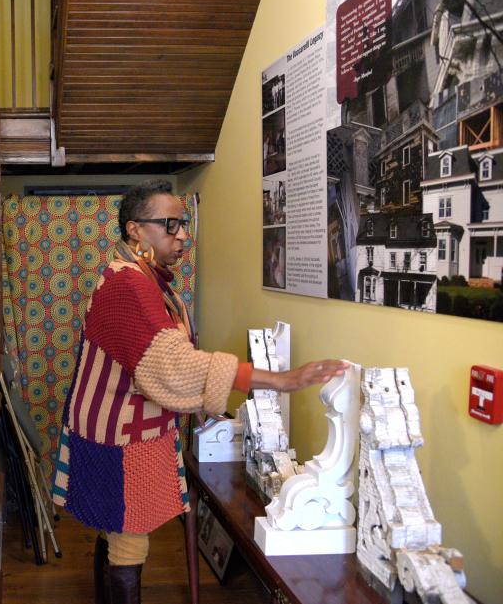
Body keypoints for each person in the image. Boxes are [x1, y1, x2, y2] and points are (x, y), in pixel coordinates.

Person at [50, 179, 346, 604]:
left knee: (114, 525)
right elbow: (175, 364)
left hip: (115, 429)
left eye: (183, 224)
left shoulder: (139, 276)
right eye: (170, 225)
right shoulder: (129, 285)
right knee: (129, 537)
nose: (183, 235)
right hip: (121, 436)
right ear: (135, 230)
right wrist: (280, 379)